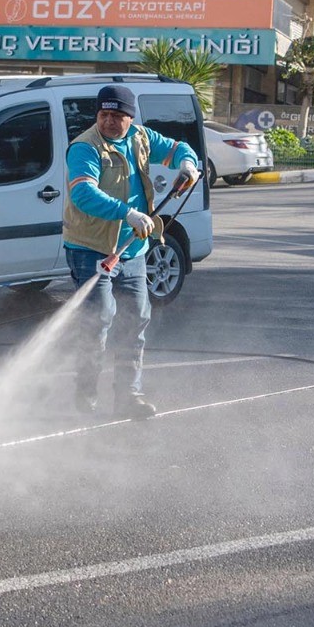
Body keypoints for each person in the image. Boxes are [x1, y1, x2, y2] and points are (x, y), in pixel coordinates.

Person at [63, 84, 200, 419]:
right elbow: (83, 194)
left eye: (116, 115)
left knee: (135, 321)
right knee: (98, 320)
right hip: (91, 249)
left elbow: (179, 149)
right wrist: (128, 213)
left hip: (134, 250)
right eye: (103, 114)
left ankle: (128, 396)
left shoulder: (141, 137)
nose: (109, 121)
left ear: (130, 117)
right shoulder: (85, 147)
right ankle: (86, 394)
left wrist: (188, 164)